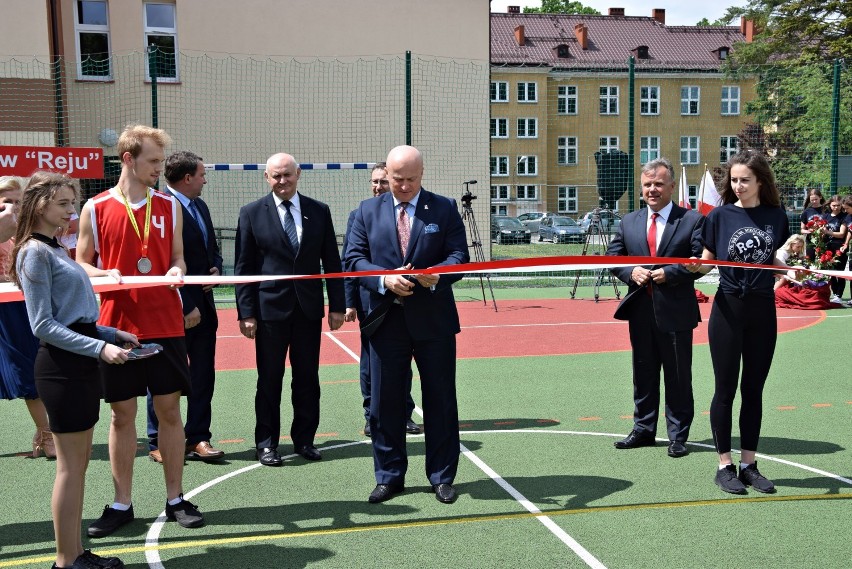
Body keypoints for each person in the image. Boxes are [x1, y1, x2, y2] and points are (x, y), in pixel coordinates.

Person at [76, 124, 204, 537]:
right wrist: (104, 273)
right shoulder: (94, 208)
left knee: (169, 411)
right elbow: (81, 264)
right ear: (128, 159)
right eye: (152, 162)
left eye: (161, 162)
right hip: (116, 329)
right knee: (121, 416)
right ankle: (121, 503)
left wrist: (175, 271)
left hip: (166, 324)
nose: (158, 169)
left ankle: (175, 498)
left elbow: (180, 259)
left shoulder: (170, 207)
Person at [11, 171, 136, 569]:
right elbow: (43, 325)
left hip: (78, 363)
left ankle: (77, 553)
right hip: (62, 368)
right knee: (69, 469)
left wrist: (111, 333)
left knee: (78, 468)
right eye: (64, 203)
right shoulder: (33, 251)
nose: (71, 211)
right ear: (40, 204)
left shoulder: (53, 248)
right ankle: (66, 561)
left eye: (72, 203)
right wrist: (101, 347)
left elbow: (75, 319)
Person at [344, 145, 469, 504]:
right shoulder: (367, 211)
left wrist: (437, 275)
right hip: (385, 321)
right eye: (397, 179)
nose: (402, 186)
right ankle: (389, 476)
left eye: (410, 179)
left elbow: (459, 255)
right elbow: (353, 259)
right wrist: (384, 280)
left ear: (422, 174)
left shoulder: (443, 207)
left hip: (434, 321)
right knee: (385, 404)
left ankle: (442, 476)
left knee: (441, 400)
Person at [686, 151, 790, 495]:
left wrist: (791, 268)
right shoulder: (718, 216)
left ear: (761, 181)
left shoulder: (776, 216)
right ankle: (724, 465)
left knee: (754, 390)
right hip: (728, 309)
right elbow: (706, 262)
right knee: (725, 389)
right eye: (734, 180)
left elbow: (771, 257)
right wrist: (693, 267)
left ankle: (749, 465)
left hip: (762, 310)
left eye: (745, 179)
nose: (738, 185)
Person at [234, 152, 346, 466]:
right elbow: (244, 269)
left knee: (308, 378)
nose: (282, 181)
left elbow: (332, 264)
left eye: (287, 174)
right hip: (269, 313)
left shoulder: (318, 211)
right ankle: (267, 443)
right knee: (269, 379)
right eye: (276, 176)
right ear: (267, 178)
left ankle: (305, 440)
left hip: (308, 311)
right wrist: (246, 312)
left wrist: (338, 306)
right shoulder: (251, 213)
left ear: (298, 173)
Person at [606, 158, 704, 458]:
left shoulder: (692, 220)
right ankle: (644, 429)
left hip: (675, 311)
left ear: (672, 187)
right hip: (640, 310)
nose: (652, 189)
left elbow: (701, 261)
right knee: (643, 372)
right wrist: (630, 271)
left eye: (659, 184)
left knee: (677, 376)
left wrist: (671, 273)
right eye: (647, 184)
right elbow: (613, 257)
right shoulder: (628, 221)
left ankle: (677, 436)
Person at [146, 151, 225, 463]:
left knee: (204, 375)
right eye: (202, 174)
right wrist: (186, 304)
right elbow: (163, 261)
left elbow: (211, 249)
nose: (205, 179)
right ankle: (157, 440)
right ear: (188, 177)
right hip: (174, 309)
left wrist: (216, 270)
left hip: (205, 308)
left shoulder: (200, 206)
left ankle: (198, 437)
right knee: (165, 376)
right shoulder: (161, 208)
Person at [343, 162, 420, 437]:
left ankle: (405, 413)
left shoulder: (411, 215)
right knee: (370, 363)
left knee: (404, 361)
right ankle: (371, 415)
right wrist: (349, 302)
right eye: (374, 182)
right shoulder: (360, 214)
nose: (378, 187)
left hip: (406, 300)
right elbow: (350, 262)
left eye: (383, 182)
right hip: (371, 304)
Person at [0, 176, 51, 458]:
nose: (14, 207)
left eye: (19, 202)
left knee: (30, 371)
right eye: (7, 201)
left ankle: (46, 435)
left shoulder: (25, 233)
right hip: (5, 312)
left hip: (20, 309)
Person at [820, 195, 848, 303]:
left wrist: (827, 232)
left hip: (840, 247)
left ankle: (839, 295)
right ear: (830, 205)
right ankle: (835, 293)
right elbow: (822, 231)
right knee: (830, 272)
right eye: (834, 205)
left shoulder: (844, 217)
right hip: (827, 247)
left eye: (838, 205)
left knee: (840, 272)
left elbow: (841, 234)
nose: (836, 208)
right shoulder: (826, 216)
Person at [800, 188, 825, 260]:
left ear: (820, 197)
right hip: (810, 241)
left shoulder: (826, 210)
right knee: (810, 260)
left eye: (816, 199)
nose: (814, 201)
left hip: (823, 240)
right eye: (812, 200)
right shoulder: (806, 212)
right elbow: (802, 230)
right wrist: (809, 231)